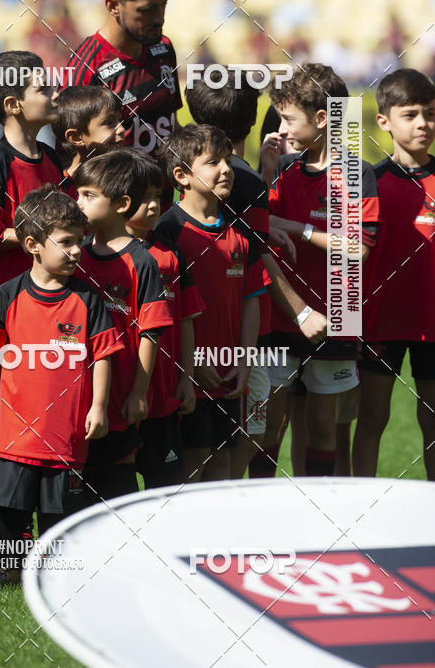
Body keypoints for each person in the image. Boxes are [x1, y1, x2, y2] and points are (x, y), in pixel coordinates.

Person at [0, 186, 121, 587]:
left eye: (80, 241)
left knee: (59, 510)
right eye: (66, 242)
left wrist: (99, 406)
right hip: (12, 430)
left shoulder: (88, 299)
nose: (76, 250)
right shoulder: (7, 294)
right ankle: (11, 564)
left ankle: (53, 569)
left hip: (64, 432)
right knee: (8, 503)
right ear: (33, 245)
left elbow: (102, 356)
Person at [184, 75, 327, 478]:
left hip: (199, 332)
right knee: (243, 438)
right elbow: (257, 256)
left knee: (210, 444)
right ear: (253, 120)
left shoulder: (195, 173)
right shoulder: (241, 178)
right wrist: (301, 311)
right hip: (246, 331)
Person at [267, 63, 379, 476]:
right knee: (267, 427)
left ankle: (320, 512)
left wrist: (298, 228)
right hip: (281, 313)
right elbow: (262, 229)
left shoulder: (356, 173)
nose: (281, 128)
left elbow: (358, 248)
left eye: (288, 119)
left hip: (337, 315)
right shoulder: (283, 168)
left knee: (321, 427)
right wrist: (265, 175)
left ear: (320, 118)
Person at [156, 124, 267, 482]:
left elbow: (252, 300)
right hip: (183, 379)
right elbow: (163, 311)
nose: (226, 169)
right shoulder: (167, 231)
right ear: (181, 176)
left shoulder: (240, 232)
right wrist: (189, 366)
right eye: (212, 162)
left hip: (228, 375)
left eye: (228, 160)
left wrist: (245, 361)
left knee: (223, 466)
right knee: (190, 469)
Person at [73, 149, 173, 502]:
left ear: (121, 204)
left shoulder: (142, 261)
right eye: (77, 194)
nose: (78, 203)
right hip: (77, 394)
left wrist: (138, 393)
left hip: (120, 397)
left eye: (88, 195)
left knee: (116, 487)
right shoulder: (74, 255)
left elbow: (151, 331)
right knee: (75, 495)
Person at [354, 69, 435, 480]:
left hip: (432, 324)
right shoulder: (371, 182)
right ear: (383, 121)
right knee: (371, 419)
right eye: (411, 114)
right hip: (380, 321)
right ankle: (361, 508)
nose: (423, 124)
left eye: (430, 114)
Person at [67, 0, 181, 209]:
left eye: (164, 4)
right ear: (113, 6)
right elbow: (72, 159)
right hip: (117, 216)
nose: (160, 18)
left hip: (163, 210)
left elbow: (171, 125)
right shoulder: (87, 67)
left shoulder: (164, 49)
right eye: (147, 9)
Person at [0, 50, 63, 357]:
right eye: (43, 89)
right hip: (1, 317)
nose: (54, 94)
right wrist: (46, 235)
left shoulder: (51, 157)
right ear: (13, 105)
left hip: (44, 308)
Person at [125, 150, 204, 488]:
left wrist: (187, 380)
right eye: (143, 197)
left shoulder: (172, 253)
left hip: (163, 400)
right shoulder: (94, 255)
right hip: (117, 402)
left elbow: (186, 320)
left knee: (165, 492)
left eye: (157, 196)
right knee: (115, 493)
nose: (153, 205)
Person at [54, 85, 124, 178]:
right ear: (76, 137)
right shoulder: (63, 184)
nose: (122, 129)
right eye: (109, 123)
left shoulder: (129, 176)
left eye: (119, 120)